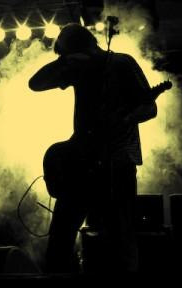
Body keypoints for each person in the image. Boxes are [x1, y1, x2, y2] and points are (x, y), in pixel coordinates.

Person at [28, 23, 157, 275]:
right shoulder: (78, 67)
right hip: (81, 165)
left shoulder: (121, 63)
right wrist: (66, 63)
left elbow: (149, 108)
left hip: (117, 162)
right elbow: (35, 83)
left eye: (68, 54)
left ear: (87, 46)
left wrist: (126, 118)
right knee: (60, 239)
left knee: (119, 237)